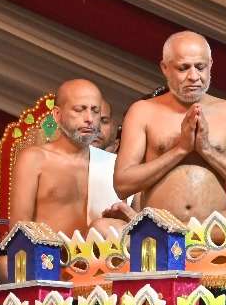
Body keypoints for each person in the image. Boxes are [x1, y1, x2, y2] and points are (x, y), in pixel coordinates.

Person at [114, 32, 226, 222]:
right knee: (102, 226)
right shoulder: (142, 111)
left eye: (200, 67)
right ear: (165, 68)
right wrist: (180, 150)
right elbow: (122, 185)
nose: (193, 76)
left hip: (213, 227)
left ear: (210, 65)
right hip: (160, 226)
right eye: (183, 68)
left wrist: (207, 151)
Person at [7, 78, 133, 237]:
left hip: (101, 251)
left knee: (104, 226)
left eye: (95, 111)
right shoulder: (35, 159)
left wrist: (127, 217)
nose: (89, 119)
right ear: (57, 115)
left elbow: (138, 226)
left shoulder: (111, 165)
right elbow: (19, 229)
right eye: (80, 110)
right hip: (48, 251)